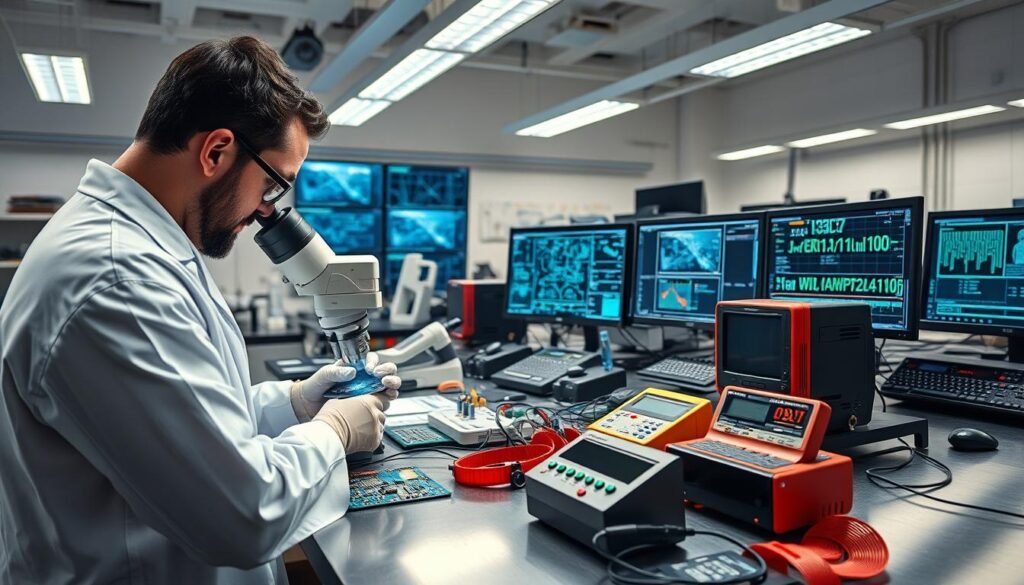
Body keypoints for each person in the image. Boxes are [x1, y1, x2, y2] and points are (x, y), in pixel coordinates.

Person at [0, 36, 400, 585]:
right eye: (274, 183)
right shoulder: (115, 278)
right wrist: (333, 432)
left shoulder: (142, 249)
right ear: (215, 151)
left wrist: (295, 404)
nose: (268, 210)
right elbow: (241, 514)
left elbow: (185, 425)